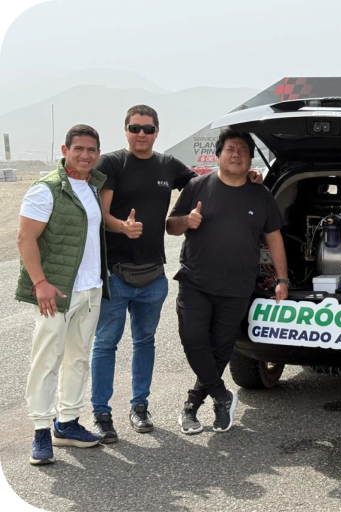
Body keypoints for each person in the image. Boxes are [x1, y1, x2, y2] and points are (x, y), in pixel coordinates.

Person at [89, 105, 199, 442]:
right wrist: (123, 227)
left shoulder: (167, 165)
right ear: (125, 129)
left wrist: (248, 178)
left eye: (148, 129)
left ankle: (139, 407)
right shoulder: (111, 163)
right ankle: (102, 414)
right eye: (135, 128)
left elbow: (203, 185)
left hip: (153, 275)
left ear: (157, 131)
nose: (141, 134)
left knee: (145, 342)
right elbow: (100, 213)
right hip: (115, 273)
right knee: (106, 343)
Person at [167, 129, 288, 433]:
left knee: (221, 350)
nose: (237, 155)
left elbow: (274, 239)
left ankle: (193, 405)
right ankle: (221, 395)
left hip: (237, 286)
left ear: (250, 159)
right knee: (193, 340)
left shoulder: (261, 194)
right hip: (195, 281)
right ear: (218, 155)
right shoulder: (197, 186)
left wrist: (282, 278)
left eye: (244, 151)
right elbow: (171, 225)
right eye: (231, 149)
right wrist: (186, 222)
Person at [18, 124, 108, 464]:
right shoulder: (46, 189)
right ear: (65, 150)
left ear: (97, 154)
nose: (85, 155)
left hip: (91, 289)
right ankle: (41, 429)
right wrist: (40, 283)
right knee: (47, 359)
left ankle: (67, 423)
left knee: (78, 358)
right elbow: (25, 239)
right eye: (78, 149)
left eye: (91, 150)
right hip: (55, 292)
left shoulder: (92, 187)